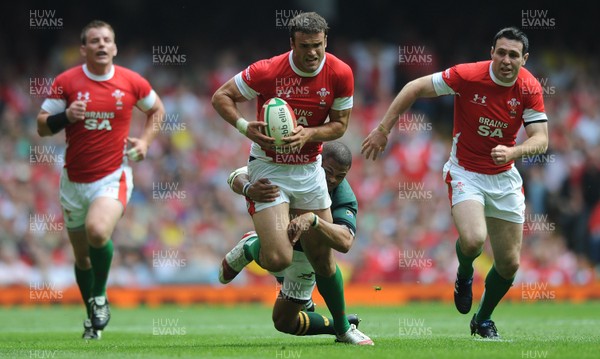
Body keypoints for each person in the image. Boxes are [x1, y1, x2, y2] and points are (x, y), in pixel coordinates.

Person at [362, 27, 548, 339]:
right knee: (474, 240)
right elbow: (414, 87)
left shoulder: (529, 87)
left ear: (524, 59)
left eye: (513, 55)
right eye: (501, 52)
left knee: (509, 264)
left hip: (504, 176)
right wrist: (383, 128)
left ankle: (483, 320)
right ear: (492, 52)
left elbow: (541, 139)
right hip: (466, 172)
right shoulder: (468, 76)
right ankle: (464, 274)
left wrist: (514, 151)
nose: (506, 59)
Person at [212, 12, 365, 344]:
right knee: (279, 257)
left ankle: (342, 331)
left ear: (326, 42)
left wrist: (307, 134)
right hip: (270, 165)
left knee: (324, 260)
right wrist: (244, 126)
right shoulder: (268, 71)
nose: (313, 53)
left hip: (310, 169)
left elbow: (340, 125)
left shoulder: (340, 73)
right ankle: (253, 246)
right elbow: (221, 96)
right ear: (292, 43)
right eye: (306, 46)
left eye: (319, 46)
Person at [37, 20, 165, 339]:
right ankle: (91, 317)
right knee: (81, 257)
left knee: (97, 231)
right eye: (95, 41)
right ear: (84, 49)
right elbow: (41, 126)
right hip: (73, 182)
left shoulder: (131, 81)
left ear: (115, 47)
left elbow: (157, 110)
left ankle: (99, 296)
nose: (102, 45)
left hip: (112, 176)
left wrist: (146, 142)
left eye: (107, 40)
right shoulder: (67, 82)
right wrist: (66, 116)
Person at [223, 142, 372, 344]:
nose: (332, 180)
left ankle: (337, 325)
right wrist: (249, 188)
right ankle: (251, 245)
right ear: (317, 161)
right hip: (279, 242)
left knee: (284, 322)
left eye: (340, 176)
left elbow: (345, 243)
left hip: (307, 257)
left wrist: (314, 220)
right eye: (328, 172)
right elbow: (235, 176)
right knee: (277, 259)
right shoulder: (291, 168)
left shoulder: (343, 195)